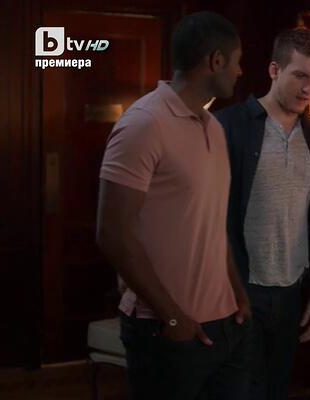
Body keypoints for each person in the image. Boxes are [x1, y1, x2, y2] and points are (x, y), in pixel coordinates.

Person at [95, 11, 251, 400]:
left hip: (226, 325)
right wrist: (173, 317)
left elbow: (211, 224)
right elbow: (112, 234)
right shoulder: (144, 124)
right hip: (166, 330)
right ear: (216, 60)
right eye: (237, 61)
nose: (240, 71)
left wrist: (237, 291)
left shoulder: (214, 127)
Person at [214, 27, 310, 400]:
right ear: (274, 70)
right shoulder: (228, 126)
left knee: (277, 388)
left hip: (292, 291)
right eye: (300, 76)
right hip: (239, 286)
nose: (309, 88)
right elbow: (210, 214)